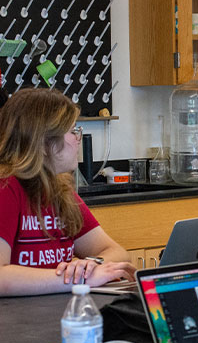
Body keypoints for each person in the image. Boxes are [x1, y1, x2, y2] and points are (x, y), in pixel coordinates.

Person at [0, 88, 135, 296]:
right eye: (72, 131)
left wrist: (89, 266)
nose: (78, 138)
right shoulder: (6, 188)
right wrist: (75, 279)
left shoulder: (60, 189)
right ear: (44, 143)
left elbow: (118, 253)